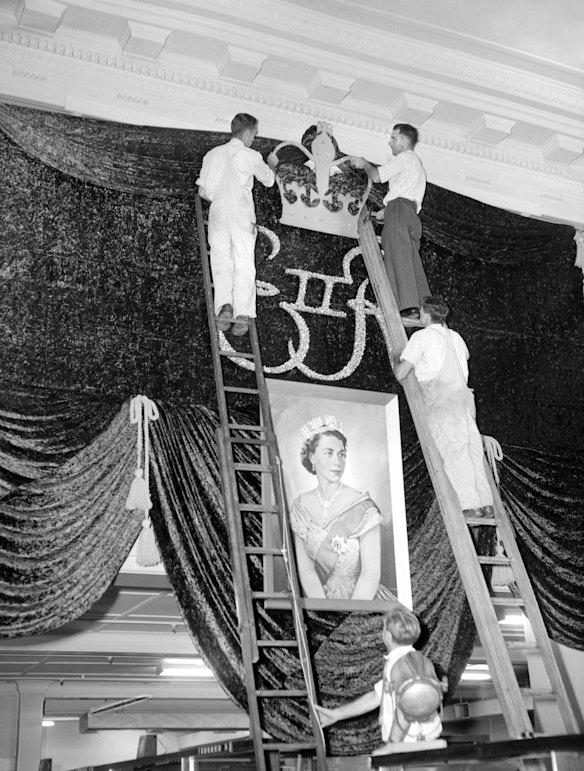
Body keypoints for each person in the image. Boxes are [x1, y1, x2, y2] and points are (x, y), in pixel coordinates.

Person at [393, 296, 494, 519]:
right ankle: (486, 504)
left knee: (454, 450)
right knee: (472, 451)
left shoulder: (421, 337)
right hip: (464, 402)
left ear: (426, 314)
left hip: (441, 400)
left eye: (421, 313)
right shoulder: (456, 337)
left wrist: (397, 361)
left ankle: (470, 505)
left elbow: (402, 373)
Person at [289, 415, 392, 601]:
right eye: (328, 453)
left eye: (341, 454)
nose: (337, 461)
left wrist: (351, 619)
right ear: (312, 457)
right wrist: (323, 612)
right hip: (315, 600)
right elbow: (306, 570)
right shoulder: (300, 507)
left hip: (363, 601)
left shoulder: (363, 506)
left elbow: (371, 574)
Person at [197, 113, 279, 336]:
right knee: (243, 262)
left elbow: (204, 191)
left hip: (219, 213)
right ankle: (242, 313)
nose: (253, 139)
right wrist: (271, 165)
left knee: (221, 258)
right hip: (242, 214)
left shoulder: (213, 155)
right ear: (247, 133)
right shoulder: (250, 154)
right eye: (254, 135)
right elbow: (269, 181)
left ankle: (224, 305)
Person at [315, 608, 444, 747]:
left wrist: (392, 745)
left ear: (387, 636)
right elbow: (376, 696)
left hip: (410, 745)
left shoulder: (402, 663)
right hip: (415, 742)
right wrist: (336, 714)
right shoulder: (405, 660)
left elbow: (410, 705)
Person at [350, 123, 430, 321]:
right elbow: (405, 197)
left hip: (400, 212)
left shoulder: (404, 158)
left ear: (403, 140)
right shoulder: (417, 165)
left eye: (393, 138)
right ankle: (423, 305)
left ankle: (408, 305)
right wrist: (387, 212)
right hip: (408, 213)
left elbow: (377, 177)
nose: (390, 142)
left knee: (397, 255)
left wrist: (364, 164)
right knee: (411, 259)